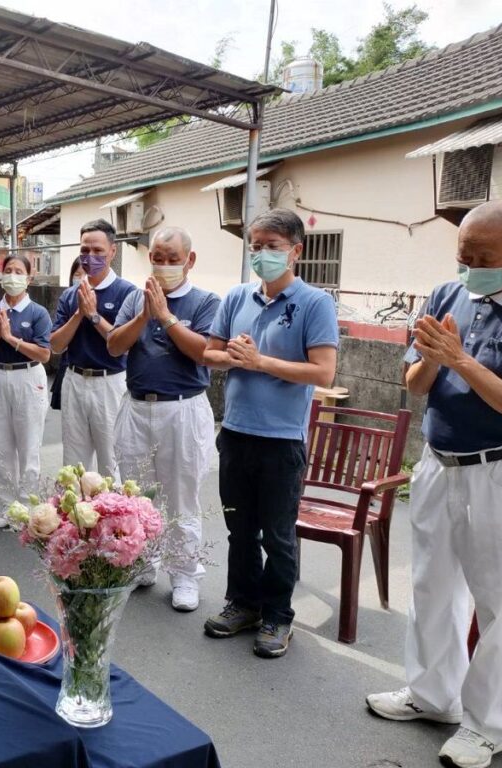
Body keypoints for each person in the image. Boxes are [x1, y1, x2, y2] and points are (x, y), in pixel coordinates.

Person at [366, 199, 502, 768]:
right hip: (438, 462)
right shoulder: (447, 294)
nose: (468, 268)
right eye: (462, 255)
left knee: (499, 603)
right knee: (433, 587)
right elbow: (416, 384)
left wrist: (460, 359)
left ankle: (486, 726)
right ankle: (431, 695)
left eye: (482, 257)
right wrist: (435, 359)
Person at [202, 208, 339, 659]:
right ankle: (242, 603)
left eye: (272, 247)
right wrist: (233, 357)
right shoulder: (237, 296)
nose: (261, 254)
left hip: (281, 442)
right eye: (256, 245)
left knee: (277, 534)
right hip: (236, 432)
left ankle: (278, 615)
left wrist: (261, 362)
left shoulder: (315, 303)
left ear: (296, 251)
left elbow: (322, 371)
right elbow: (210, 352)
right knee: (239, 528)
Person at [108, 227, 219, 611]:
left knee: (180, 495)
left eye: (173, 258)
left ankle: (185, 574)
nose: (164, 265)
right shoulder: (135, 300)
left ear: (189, 261)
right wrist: (144, 314)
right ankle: (145, 560)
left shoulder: (206, 302)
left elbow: (204, 353)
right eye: (158, 257)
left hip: (182, 407)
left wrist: (167, 318)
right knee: (139, 494)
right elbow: (115, 345)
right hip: (138, 405)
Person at [0, 255, 52, 528]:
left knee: (29, 444)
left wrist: (12, 340)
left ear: (29, 279)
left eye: (19, 272)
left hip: (28, 377)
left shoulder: (37, 313)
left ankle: (28, 506)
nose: (12, 276)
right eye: (8, 271)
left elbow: (44, 353)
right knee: (2, 446)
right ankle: (7, 505)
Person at [50, 219, 137, 478]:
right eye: (85, 250)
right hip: (74, 380)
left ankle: (112, 516)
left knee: (112, 460)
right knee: (73, 464)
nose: (90, 256)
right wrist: (79, 313)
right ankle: (76, 515)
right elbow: (55, 345)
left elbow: (125, 346)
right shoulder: (70, 295)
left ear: (113, 251)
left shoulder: (127, 293)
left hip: (111, 382)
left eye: (98, 250)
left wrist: (94, 316)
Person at [50, 258, 86, 412]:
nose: (82, 278)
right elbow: (56, 343)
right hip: (70, 367)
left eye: (86, 274)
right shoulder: (67, 298)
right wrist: (78, 315)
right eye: (77, 274)